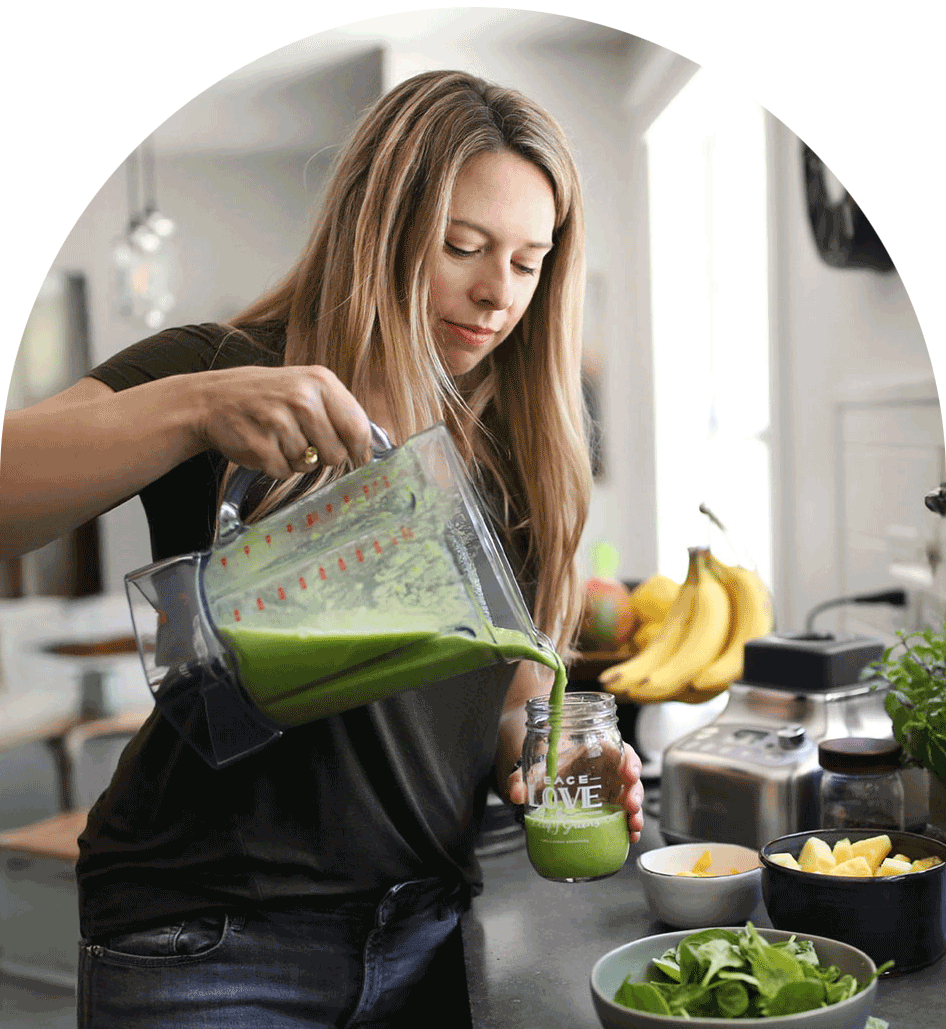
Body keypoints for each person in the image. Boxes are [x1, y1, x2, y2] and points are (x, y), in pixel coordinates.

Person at [0, 70, 645, 1028]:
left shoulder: (523, 441)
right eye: (460, 247)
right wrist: (191, 411)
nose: (494, 293)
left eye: (527, 260)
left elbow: (504, 698)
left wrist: (545, 754)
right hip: (207, 942)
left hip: (426, 930)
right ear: (378, 228)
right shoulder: (229, 372)